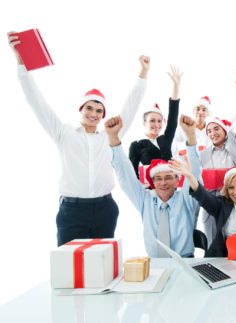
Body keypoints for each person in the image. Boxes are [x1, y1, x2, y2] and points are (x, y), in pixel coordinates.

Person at [8, 31, 149, 246]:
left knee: (101, 268)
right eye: (89, 108)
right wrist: (21, 62)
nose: (93, 113)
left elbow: (131, 107)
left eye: (99, 111)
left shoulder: (109, 137)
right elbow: (36, 102)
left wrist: (143, 73)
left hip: (105, 209)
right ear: (81, 109)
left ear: (103, 115)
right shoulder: (63, 133)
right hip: (71, 211)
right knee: (69, 269)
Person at [105, 115, 201, 257]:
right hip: (154, 265)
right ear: (153, 182)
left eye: (168, 177)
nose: (163, 183)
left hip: (186, 262)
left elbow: (195, 173)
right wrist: (113, 138)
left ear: (177, 180)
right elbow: (126, 176)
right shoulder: (145, 201)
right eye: (158, 179)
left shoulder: (186, 199)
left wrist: (191, 136)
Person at [197, 69, 236, 246]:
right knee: (215, 243)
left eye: (216, 129)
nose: (213, 133)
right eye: (209, 130)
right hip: (214, 202)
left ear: (224, 130)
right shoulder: (204, 154)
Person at [170, 162, 236, 259]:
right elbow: (203, 195)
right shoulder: (221, 205)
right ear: (227, 190)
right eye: (231, 188)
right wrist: (190, 176)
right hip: (220, 258)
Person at [129, 66, 183, 181]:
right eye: (152, 121)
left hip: (170, 184)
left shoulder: (165, 139)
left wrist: (176, 85)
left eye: (159, 121)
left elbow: (173, 116)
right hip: (150, 189)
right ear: (144, 123)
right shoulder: (137, 145)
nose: (157, 124)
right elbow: (132, 173)